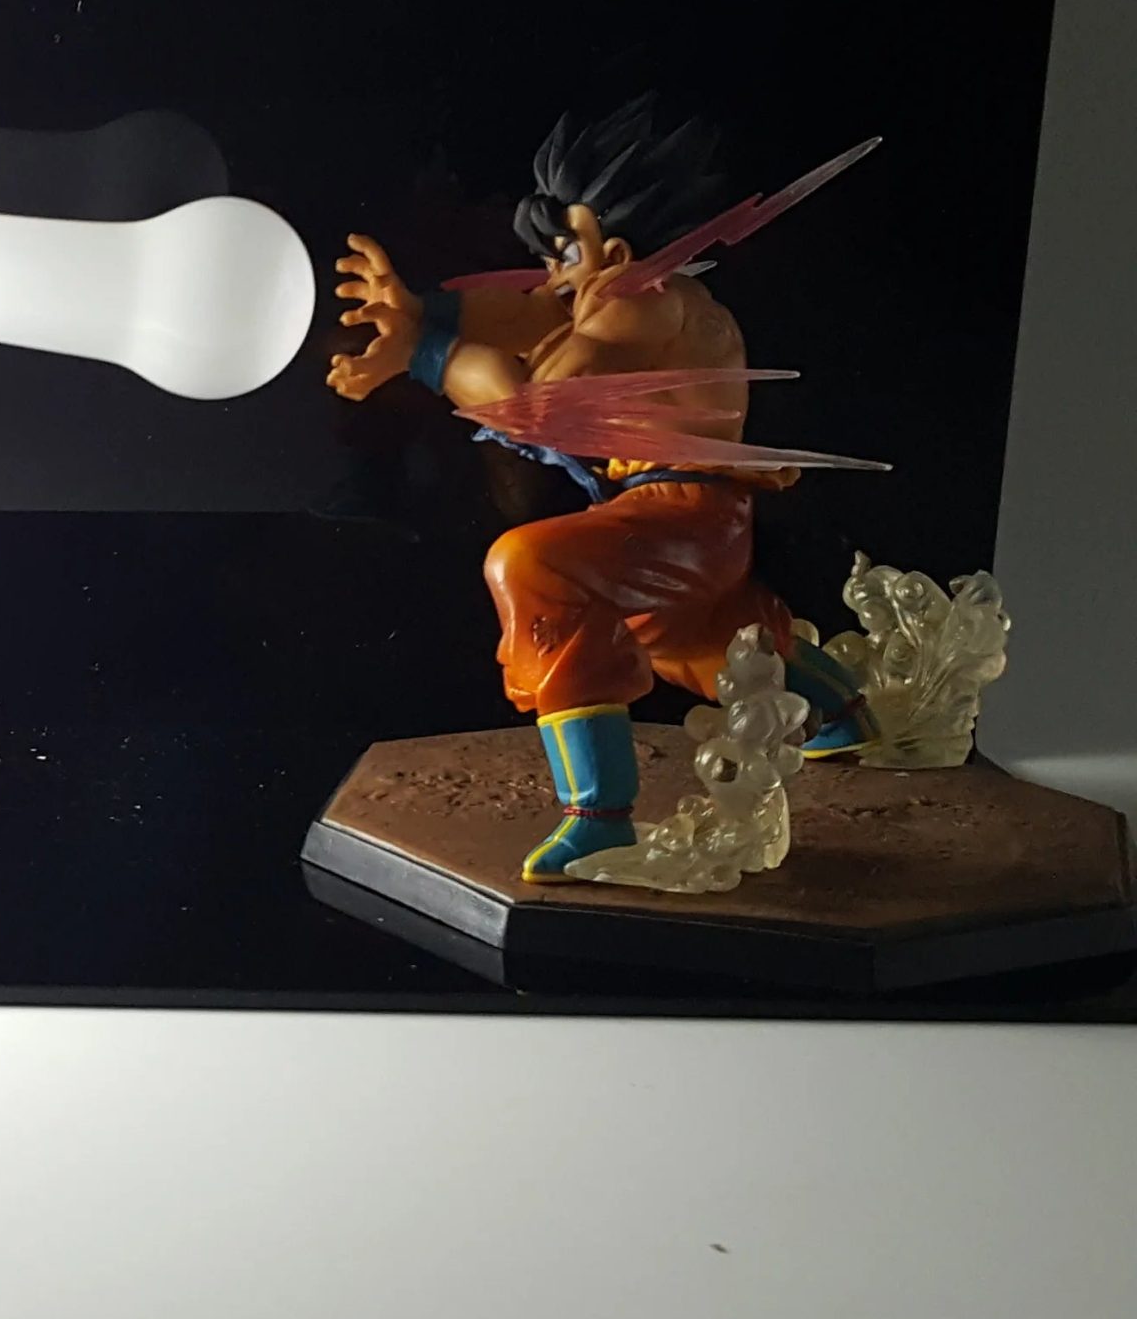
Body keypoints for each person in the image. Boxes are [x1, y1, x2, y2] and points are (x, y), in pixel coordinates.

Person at [327, 99, 874, 880]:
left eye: (564, 253)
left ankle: (599, 815)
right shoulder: (648, 300)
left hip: (685, 513)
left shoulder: (642, 300)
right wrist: (423, 313)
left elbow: (534, 404)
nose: (554, 276)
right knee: (699, 640)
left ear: (614, 251)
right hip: (693, 518)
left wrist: (427, 351)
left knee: (531, 566)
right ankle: (842, 711)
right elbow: (533, 313)